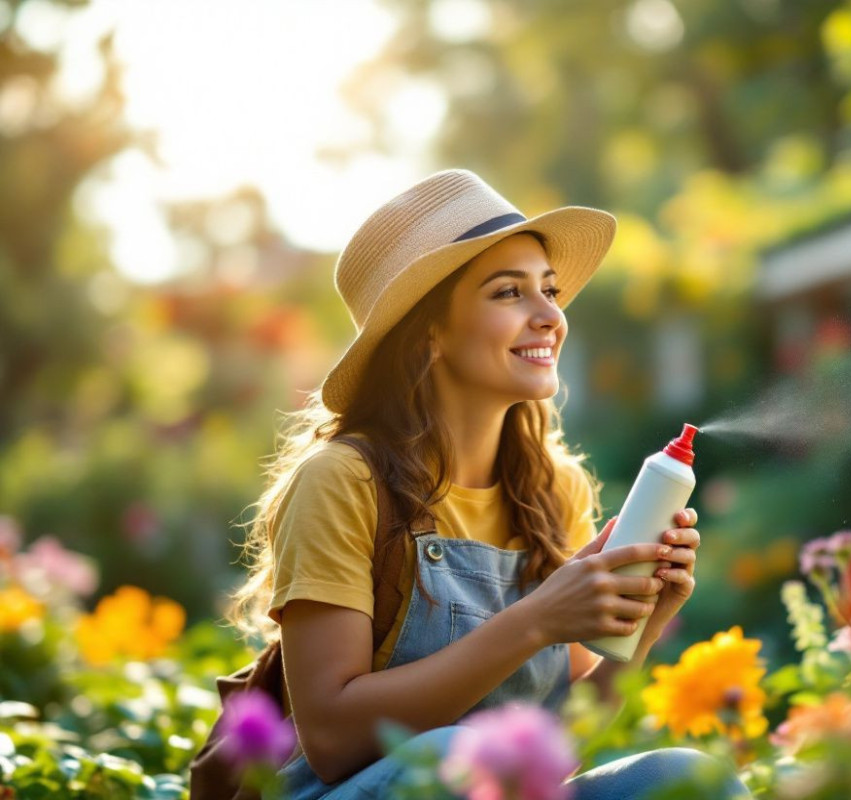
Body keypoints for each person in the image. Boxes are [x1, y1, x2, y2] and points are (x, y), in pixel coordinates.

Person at [226, 170, 750, 799]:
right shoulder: (343, 481)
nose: (550, 316)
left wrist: (642, 628)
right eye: (509, 293)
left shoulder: (554, 491)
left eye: (549, 290)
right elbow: (333, 741)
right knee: (455, 758)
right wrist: (535, 620)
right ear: (429, 333)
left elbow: (558, 746)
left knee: (688, 780)